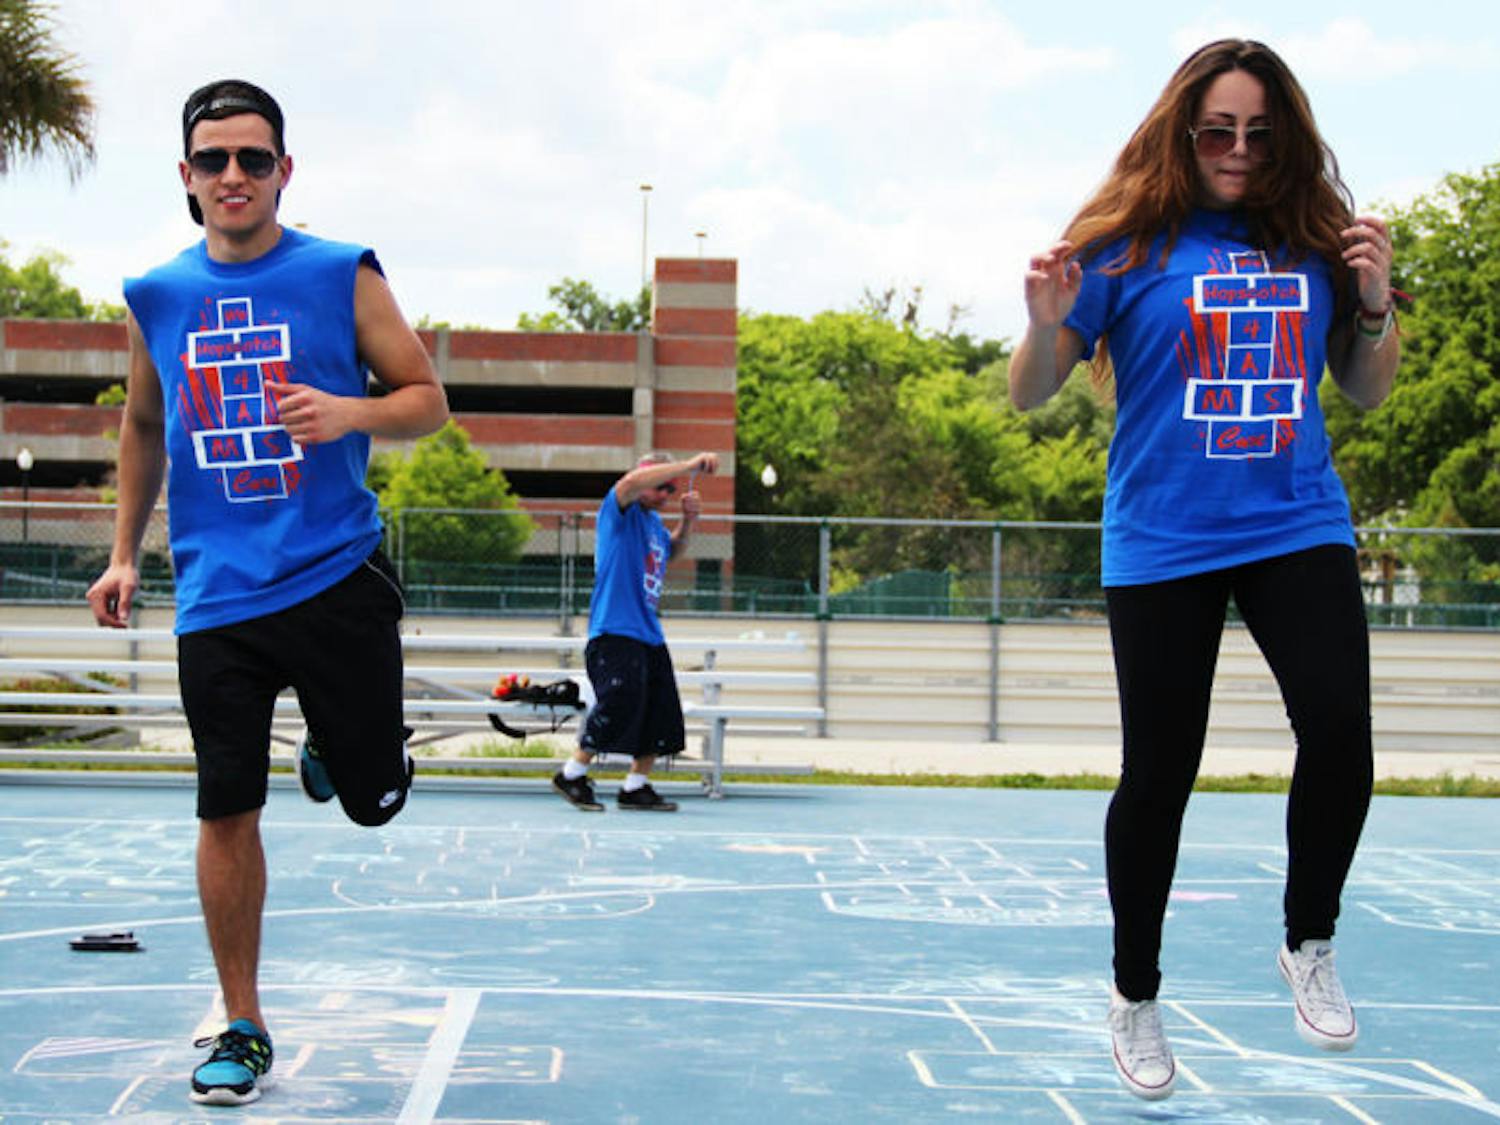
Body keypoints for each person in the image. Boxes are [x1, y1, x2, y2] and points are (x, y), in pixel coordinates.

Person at [1008, 40, 1399, 1102]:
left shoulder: (1315, 238)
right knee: (1161, 773)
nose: (1237, 150)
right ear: (1184, 131)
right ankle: (1135, 996)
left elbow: (1363, 391)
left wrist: (1372, 304)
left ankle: (1306, 939)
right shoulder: (1124, 247)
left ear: (1286, 138)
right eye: (1219, 130)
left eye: (1259, 133)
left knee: (1342, 733)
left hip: (1296, 522)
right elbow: (1030, 393)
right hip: (1165, 538)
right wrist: (1046, 327)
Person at [85, 79, 449, 1106]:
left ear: (284, 170)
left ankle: (343, 748)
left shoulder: (341, 272)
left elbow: (427, 401)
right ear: (187, 177)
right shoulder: (156, 293)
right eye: (214, 160)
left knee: (375, 801)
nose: (233, 176)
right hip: (218, 598)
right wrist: (124, 555)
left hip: (336, 575)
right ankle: (241, 1022)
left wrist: (347, 411)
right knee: (225, 805)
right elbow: (144, 427)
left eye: (253, 158)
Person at [552, 451, 719, 812]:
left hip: (649, 635)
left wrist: (689, 522)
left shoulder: (654, 525)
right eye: (660, 487)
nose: (664, 495)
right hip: (614, 630)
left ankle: (635, 785)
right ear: (646, 477)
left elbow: (671, 551)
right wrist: (690, 465)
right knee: (620, 698)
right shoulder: (619, 512)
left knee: (661, 713)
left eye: (671, 491)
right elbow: (629, 483)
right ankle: (571, 773)